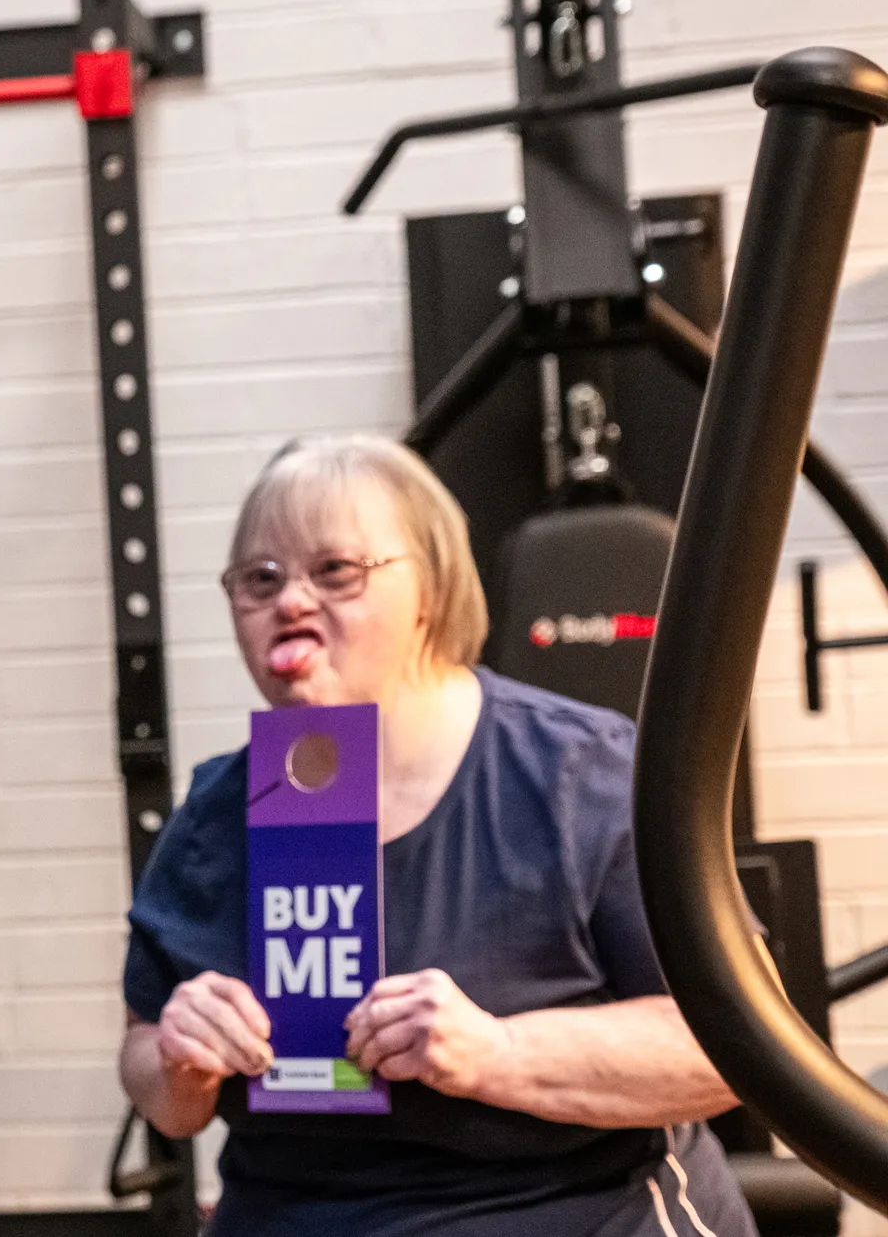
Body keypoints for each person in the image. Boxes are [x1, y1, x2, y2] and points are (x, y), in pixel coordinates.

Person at [121, 435, 754, 1236]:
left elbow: (728, 1046)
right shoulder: (215, 813)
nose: (290, 601)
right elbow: (152, 1076)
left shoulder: (582, 774)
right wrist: (179, 1058)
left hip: (572, 1209)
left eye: (335, 571)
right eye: (261, 579)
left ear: (430, 587)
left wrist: (497, 1052)